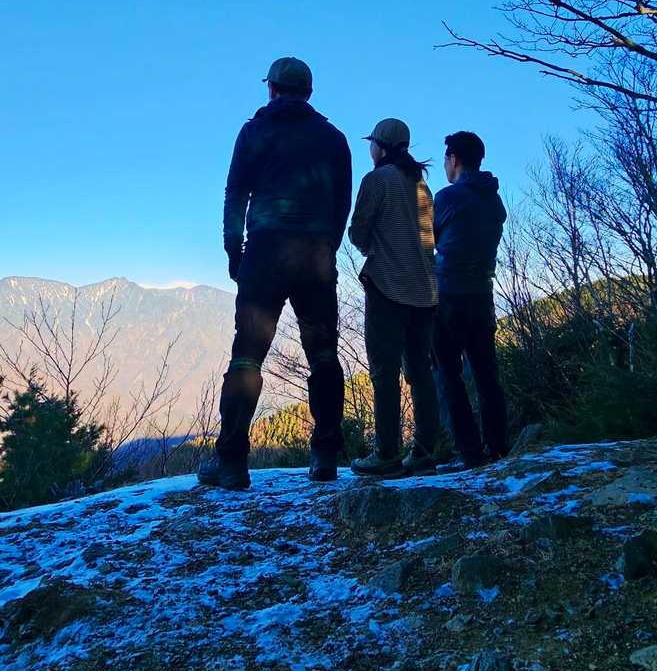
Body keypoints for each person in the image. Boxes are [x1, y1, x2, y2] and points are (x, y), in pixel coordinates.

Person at [198, 57, 353, 491]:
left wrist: (234, 251)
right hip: (316, 255)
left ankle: (232, 462)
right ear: (309, 91)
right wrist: (327, 245)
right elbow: (342, 202)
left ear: (272, 89)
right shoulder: (334, 138)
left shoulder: (254, 131)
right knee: (323, 354)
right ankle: (325, 456)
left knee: (247, 355)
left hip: (266, 251)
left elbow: (235, 194)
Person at [347, 118, 441, 478]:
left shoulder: (377, 180)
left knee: (384, 373)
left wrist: (372, 248)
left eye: (372, 143)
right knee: (420, 371)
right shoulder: (422, 186)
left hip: (387, 287)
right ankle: (425, 451)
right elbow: (430, 238)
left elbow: (358, 230)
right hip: (425, 291)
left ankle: (386, 452)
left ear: (380, 146)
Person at [431, 130, 510, 466]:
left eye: (446, 160)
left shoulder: (448, 197)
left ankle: (468, 451)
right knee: (485, 373)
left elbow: (428, 239)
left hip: (448, 293)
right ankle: (498, 445)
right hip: (482, 294)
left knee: (447, 373)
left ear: (454, 159)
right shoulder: (494, 200)